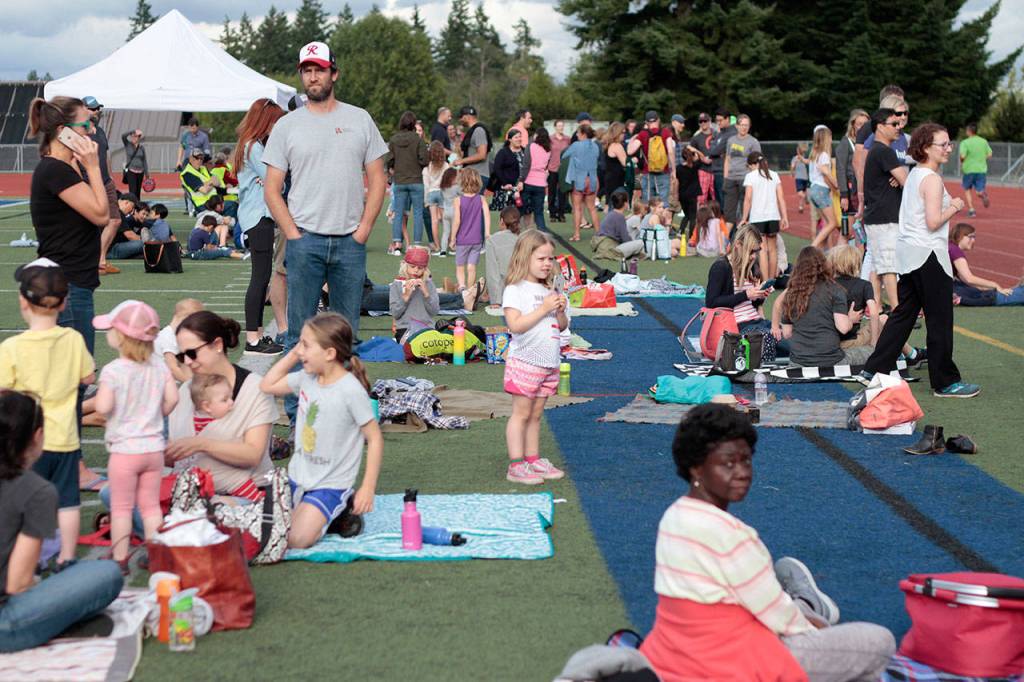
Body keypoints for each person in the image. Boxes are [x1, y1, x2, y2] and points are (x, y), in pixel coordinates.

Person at [639, 403, 896, 681]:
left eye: (746, 460)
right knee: (878, 641)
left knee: (789, 610)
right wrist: (818, 630)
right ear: (696, 469)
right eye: (728, 463)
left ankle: (807, 604)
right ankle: (810, 606)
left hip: (674, 653)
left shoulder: (674, 515)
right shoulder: (732, 536)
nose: (742, 472)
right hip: (732, 662)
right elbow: (779, 618)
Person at [263, 40, 388, 426]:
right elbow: (271, 187)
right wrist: (293, 234)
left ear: (334, 72)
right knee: (299, 332)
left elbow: (378, 178)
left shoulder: (360, 119)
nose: (312, 76)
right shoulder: (287, 125)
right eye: (306, 70)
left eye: (319, 68)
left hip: (349, 241)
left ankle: (342, 409)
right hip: (306, 240)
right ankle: (297, 412)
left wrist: (364, 230)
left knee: (346, 332)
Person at [0, 390, 123, 653]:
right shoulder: (36, 491)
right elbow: (18, 583)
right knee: (107, 574)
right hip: (6, 625)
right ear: (37, 437)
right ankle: (60, 623)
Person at [864, 123, 981, 398]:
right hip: (928, 256)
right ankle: (945, 382)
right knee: (939, 318)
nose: (949, 149)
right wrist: (953, 207)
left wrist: (948, 201)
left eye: (950, 143)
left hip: (910, 255)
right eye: (943, 144)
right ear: (927, 147)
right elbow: (932, 222)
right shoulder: (931, 179)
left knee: (903, 314)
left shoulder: (916, 174)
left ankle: (873, 368)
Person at [0, 260, 95, 569]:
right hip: (66, 437)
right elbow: (88, 378)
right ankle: (67, 556)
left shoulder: (13, 347)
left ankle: (30, 556)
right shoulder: (73, 339)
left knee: (26, 499)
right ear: (65, 302)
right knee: (68, 502)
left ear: (23, 302)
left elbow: (4, 391)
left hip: (29, 442)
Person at [260, 312, 383, 548]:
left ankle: (340, 511)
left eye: (306, 346)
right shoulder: (307, 377)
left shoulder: (350, 390)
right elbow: (267, 385)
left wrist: (368, 487)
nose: (301, 352)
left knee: (296, 539)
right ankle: (316, 513)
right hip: (298, 477)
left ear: (329, 353)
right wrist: (294, 353)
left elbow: (375, 438)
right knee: (268, 527)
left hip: (330, 484)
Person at [92, 301, 177, 571]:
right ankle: (157, 553)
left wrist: (113, 413)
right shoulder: (159, 368)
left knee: (121, 507)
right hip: (153, 449)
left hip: (125, 451)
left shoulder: (113, 371)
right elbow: (172, 400)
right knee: (150, 506)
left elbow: (103, 406)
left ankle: (120, 558)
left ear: (121, 337)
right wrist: (156, 412)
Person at [28, 96, 108, 357]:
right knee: (77, 377)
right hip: (68, 285)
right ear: (64, 132)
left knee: (78, 375)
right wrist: (93, 167)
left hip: (74, 283)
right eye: (86, 125)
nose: (92, 131)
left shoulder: (63, 168)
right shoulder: (54, 171)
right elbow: (101, 214)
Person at [166, 312, 279, 497]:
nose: (187, 362)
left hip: (247, 495)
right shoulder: (186, 390)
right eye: (181, 356)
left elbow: (253, 455)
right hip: (191, 492)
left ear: (217, 345)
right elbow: (173, 458)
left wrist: (201, 444)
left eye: (192, 353)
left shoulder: (254, 389)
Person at [501, 229, 568, 485]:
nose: (547, 264)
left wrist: (560, 310)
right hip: (525, 361)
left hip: (549, 363)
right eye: (541, 258)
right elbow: (515, 325)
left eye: (550, 259)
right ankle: (516, 465)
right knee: (521, 413)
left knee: (537, 414)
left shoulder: (548, 289)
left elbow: (561, 326)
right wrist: (543, 308)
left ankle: (532, 459)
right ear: (525, 257)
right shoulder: (515, 289)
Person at [235, 97, 287, 357]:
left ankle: (255, 335)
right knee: (259, 278)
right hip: (259, 218)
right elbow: (275, 181)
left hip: (257, 216)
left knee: (261, 277)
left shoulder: (250, 145)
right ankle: (253, 338)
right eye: (275, 121)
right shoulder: (253, 147)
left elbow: (270, 181)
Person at [777, 246, 870, 367]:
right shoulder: (834, 289)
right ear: (824, 264)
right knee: (872, 351)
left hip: (799, 361)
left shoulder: (791, 293)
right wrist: (850, 319)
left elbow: (787, 333)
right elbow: (843, 328)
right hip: (831, 360)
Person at [704, 226, 777, 361]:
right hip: (736, 325)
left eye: (756, 251)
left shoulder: (751, 267)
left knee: (787, 334)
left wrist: (760, 296)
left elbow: (751, 304)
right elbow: (711, 302)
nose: (754, 256)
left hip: (756, 322)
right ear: (738, 245)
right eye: (751, 251)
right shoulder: (721, 267)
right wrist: (746, 295)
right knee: (767, 338)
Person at [862, 108, 909, 310]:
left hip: (877, 217)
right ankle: (898, 310)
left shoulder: (878, 151)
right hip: (885, 218)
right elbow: (907, 181)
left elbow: (900, 179)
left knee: (877, 267)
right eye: (894, 124)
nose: (898, 127)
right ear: (880, 127)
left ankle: (876, 309)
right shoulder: (883, 151)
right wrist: (902, 177)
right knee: (888, 266)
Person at [81, 97, 122, 278]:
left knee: (115, 220)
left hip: (105, 182)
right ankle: (95, 261)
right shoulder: (78, 134)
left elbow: (105, 156)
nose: (97, 111)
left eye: (98, 108)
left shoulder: (101, 131)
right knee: (89, 224)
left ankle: (100, 260)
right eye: (93, 108)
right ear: (84, 110)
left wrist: (111, 178)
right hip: (88, 183)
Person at [740, 151, 788, 281]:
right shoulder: (774, 174)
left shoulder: (750, 176)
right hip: (773, 216)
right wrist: (784, 217)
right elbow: (781, 198)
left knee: (762, 250)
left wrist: (744, 218)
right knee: (773, 250)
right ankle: (772, 281)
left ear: (752, 164)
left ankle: (765, 281)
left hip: (758, 217)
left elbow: (748, 199)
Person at [386, 111, 429, 254]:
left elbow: (389, 160)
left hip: (399, 180)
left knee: (398, 213)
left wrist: (396, 168)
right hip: (416, 180)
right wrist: (417, 166)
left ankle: (397, 244)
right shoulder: (418, 139)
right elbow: (424, 159)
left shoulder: (394, 140)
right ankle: (416, 245)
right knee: (417, 213)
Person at [949, 223, 1024, 305]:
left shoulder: (950, 247)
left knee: (981, 292)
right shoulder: (955, 251)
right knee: (996, 295)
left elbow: (964, 278)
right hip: (950, 288)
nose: (973, 240)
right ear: (960, 236)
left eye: (974, 237)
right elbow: (969, 278)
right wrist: (995, 285)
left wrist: (988, 287)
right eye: (970, 237)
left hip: (948, 288)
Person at [449, 168, 490, 292]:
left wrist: (452, 238)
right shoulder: (481, 199)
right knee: (472, 266)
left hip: (462, 239)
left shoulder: (458, 200)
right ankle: (470, 290)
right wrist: (487, 232)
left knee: (460, 265)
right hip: (477, 239)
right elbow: (487, 215)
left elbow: (457, 221)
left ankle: (462, 286)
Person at [389, 247, 441, 343]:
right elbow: (395, 313)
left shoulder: (429, 284)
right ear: (405, 266)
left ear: (425, 269)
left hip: (427, 328)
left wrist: (426, 294)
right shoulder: (397, 284)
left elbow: (434, 311)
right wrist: (405, 297)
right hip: (405, 329)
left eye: (420, 268)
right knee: (415, 346)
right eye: (412, 267)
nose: (416, 270)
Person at [561, 123, 602, 242]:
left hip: (580, 179)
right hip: (593, 179)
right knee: (592, 208)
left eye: (578, 133)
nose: (577, 135)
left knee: (577, 208)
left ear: (583, 134)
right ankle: (599, 234)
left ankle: (577, 235)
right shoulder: (595, 146)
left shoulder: (576, 145)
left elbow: (564, 156)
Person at [721, 115, 761, 233]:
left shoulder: (753, 142)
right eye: (742, 125)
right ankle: (725, 243)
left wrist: (754, 180)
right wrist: (725, 178)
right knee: (729, 214)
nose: (744, 128)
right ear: (737, 126)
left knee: (746, 213)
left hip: (746, 180)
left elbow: (758, 162)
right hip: (731, 179)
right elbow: (727, 160)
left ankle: (746, 240)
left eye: (746, 125)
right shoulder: (731, 140)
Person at [626, 111, 675, 203]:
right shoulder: (666, 132)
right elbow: (671, 152)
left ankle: (649, 217)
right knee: (664, 202)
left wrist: (633, 138)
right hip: (663, 171)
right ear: (658, 120)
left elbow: (629, 151)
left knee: (648, 203)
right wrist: (673, 170)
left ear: (646, 122)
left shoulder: (643, 134)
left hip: (647, 172)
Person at [154, 298, 205, 383]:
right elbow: (172, 368)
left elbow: (184, 363)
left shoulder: (176, 336)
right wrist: (189, 385)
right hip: (157, 382)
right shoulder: (168, 337)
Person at [808, 126, 840, 249]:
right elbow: (826, 173)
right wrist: (836, 184)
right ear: (826, 138)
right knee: (832, 223)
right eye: (830, 136)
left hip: (814, 190)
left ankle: (819, 252)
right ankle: (813, 247)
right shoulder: (825, 155)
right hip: (821, 191)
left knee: (826, 223)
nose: (832, 139)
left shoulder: (814, 154)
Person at [486, 206, 522, 306]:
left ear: (502, 221)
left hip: (504, 293)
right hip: (524, 291)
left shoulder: (492, 241)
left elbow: (493, 273)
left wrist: (495, 301)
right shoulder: (524, 239)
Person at [836, 110, 869, 219]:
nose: (863, 127)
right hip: (851, 191)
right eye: (859, 124)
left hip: (866, 189)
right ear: (853, 125)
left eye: (866, 124)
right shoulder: (846, 142)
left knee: (864, 228)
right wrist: (844, 196)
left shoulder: (870, 143)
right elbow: (840, 169)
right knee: (848, 232)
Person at [593, 190, 643, 260]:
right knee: (640, 243)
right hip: (610, 249)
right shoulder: (620, 216)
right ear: (625, 203)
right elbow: (625, 238)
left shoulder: (612, 214)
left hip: (602, 246)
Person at [452, 105, 491, 190]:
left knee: (473, 203)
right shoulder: (472, 131)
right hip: (472, 175)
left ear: (466, 117)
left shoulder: (479, 130)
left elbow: (482, 154)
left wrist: (461, 161)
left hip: (477, 176)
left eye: (461, 117)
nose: (460, 120)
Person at [520, 127, 551, 231]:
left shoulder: (531, 146)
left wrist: (521, 180)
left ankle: (513, 233)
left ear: (536, 136)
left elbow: (526, 165)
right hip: (541, 183)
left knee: (521, 210)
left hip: (528, 181)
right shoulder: (548, 150)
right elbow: (546, 166)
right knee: (538, 213)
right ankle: (543, 236)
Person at [959, 124, 992, 217]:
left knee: (967, 189)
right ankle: (981, 193)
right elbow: (989, 154)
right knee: (979, 190)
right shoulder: (983, 141)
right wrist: (981, 158)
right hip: (981, 169)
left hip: (969, 169)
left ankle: (971, 210)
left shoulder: (965, 142)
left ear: (969, 131)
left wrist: (961, 161)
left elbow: (962, 156)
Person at [423, 141, 450, 254]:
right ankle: (447, 244)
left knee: (434, 221)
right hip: (442, 192)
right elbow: (447, 182)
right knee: (445, 220)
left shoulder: (427, 168)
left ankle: (437, 246)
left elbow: (426, 185)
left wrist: (426, 200)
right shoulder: (446, 165)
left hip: (431, 193)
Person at [490, 129, 526, 212]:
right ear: (510, 140)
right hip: (507, 189)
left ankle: (524, 226)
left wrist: (523, 182)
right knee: (507, 215)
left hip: (523, 188)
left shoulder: (525, 151)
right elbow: (497, 169)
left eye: (520, 137)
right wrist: (505, 183)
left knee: (524, 212)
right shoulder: (503, 152)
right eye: (516, 137)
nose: (519, 139)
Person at [180, 147, 222, 215]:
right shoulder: (187, 173)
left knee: (233, 206)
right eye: (196, 158)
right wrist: (211, 182)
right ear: (191, 159)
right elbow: (204, 190)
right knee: (231, 208)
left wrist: (207, 183)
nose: (199, 160)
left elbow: (218, 181)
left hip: (214, 202)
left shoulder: (203, 168)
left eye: (201, 158)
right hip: (203, 205)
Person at [707, 108, 736, 207]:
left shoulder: (732, 133)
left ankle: (732, 222)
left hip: (724, 172)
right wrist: (716, 151)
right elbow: (711, 150)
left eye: (720, 120)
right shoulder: (720, 133)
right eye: (717, 120)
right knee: (719, 203)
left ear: (727, 119)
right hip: (716, 170)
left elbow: (716, 150)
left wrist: (716, 151)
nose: (718, 123)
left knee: (726, 203)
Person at [675, 146, 702, 244]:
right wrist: (695, 151)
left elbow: (677, 181)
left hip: (683, 194)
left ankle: (680, 231)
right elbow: (701, 158)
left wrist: (676, 194)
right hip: (692, 194)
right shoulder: (695, 166)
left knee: (686, 215)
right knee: (692, 217)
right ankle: (691, 237)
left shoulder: (679, 168)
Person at [548, 120, 571, 222]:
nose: (561, 128)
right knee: (551, 192)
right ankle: (552, 214)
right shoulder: (550, 139)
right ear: (555, 127)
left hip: (563, 170)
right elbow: (547, 153)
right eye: (559, 126)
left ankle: (561, 214)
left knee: (563, 193)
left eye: (562, 126)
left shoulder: (567, 139)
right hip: (552, 169)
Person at [602, 122, 628, 209]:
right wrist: (634, 160)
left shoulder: (608, 145)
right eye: (623, 132)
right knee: (617, 208)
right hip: (616, 181)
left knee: (612, 206)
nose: (624, 135)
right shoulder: (617, 146)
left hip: (610, 179)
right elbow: (626, 163)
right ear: (617, 133)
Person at [120, 128, 149, 200]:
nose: (133, 138)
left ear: (139, 138)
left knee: (138, 192)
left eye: (135, 136)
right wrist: (132, 131)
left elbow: (144, 161)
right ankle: (132, 207)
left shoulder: (141, 148)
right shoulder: (128, 145)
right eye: (132, 136)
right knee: (132, 192)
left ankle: (137, 208)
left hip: (140, 172)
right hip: (131, 171)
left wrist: (147, 173)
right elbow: (123, 136)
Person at [438, 167, 460, 257]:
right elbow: (463, 194)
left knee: (445, 232)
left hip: (446, 212)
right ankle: (454, 247)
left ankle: (443, 251)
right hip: (455, 211)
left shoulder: (443, 188)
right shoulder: (456, 187)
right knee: (457, 231)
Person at [790, 143, 810, 213]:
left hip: (806, 177)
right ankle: (804, 200)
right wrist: (792, 173)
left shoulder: (806, 158)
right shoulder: (795, 158)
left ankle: (801, 205)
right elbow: (792, 167)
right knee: (800, 193)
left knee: (802, 193)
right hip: (799, 177)